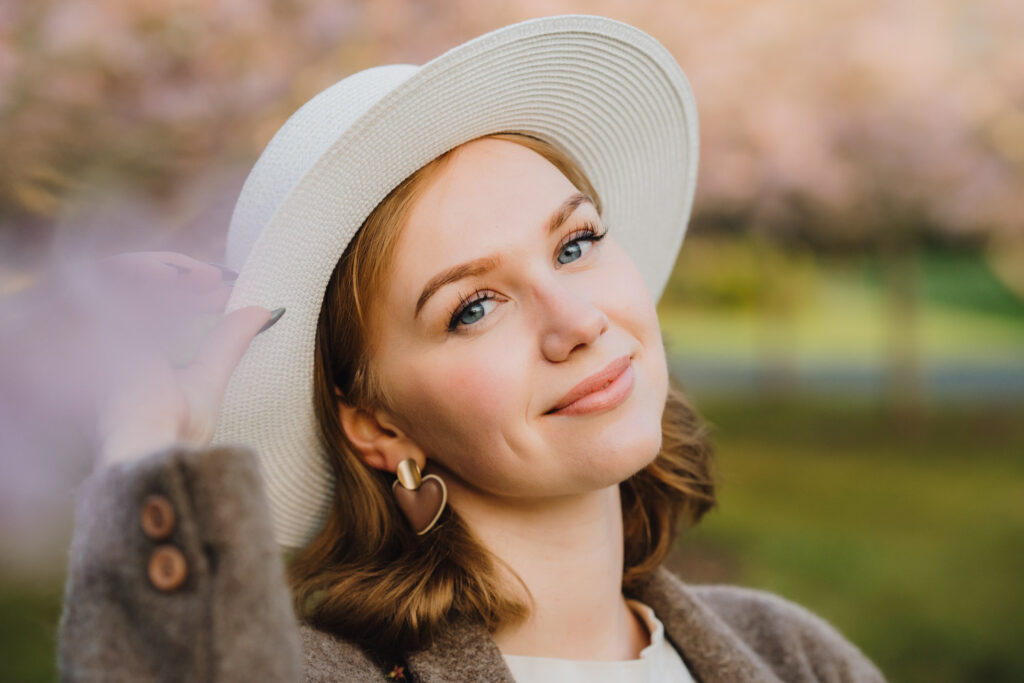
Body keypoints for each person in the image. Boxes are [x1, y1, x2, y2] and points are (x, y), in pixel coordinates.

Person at [57, 15, 886, 682]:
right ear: (377, 423)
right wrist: (145, 466)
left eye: (574, 244)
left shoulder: (792, 654)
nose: (579, 321)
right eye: (474, 306)